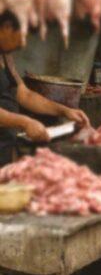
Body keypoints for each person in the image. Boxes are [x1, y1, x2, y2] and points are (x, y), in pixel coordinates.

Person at [0, 12, 91, 164]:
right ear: (6, 27)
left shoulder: (5, 56)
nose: (23, 43)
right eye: (22, 35)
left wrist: (64, 111)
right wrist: (25, 122)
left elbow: (25, 94)